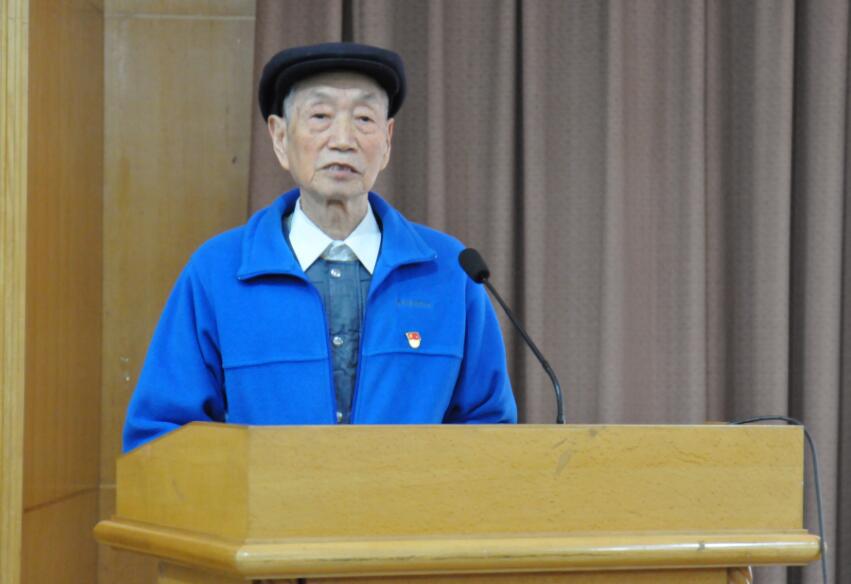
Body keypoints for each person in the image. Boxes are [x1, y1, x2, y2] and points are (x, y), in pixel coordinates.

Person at [123, 42, 517, 452]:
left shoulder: (450, 272)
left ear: (387, 140)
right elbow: (160, 437)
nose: (343, 140)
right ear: (279, 137)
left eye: (364, 119)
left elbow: (490, 430)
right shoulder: (216, 272)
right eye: (320, 116)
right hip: (268, 498)